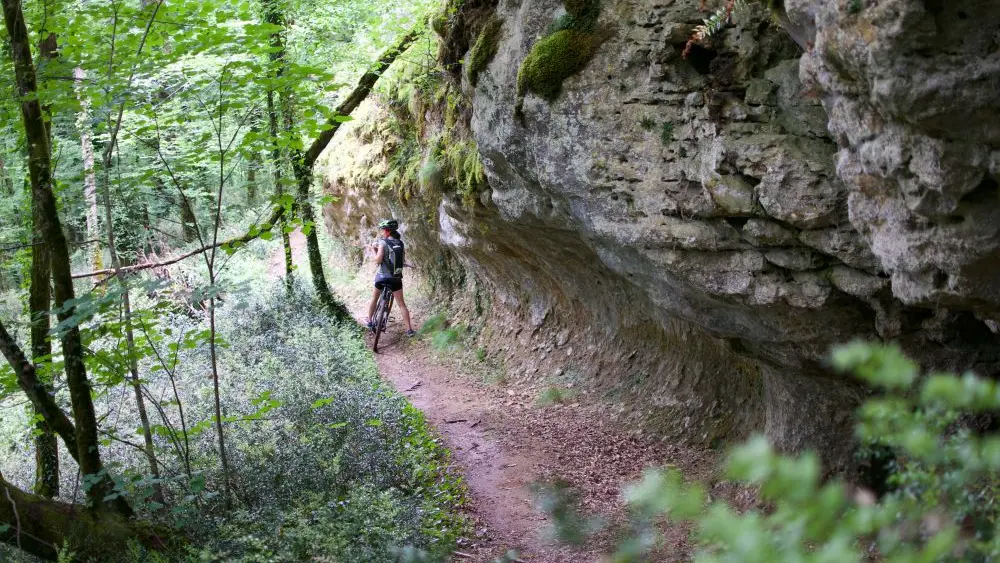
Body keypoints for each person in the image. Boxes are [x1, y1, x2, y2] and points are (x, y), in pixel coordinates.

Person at [366, 219, 415, 337]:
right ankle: (409, 330)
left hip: (382, 277)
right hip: (396, 279)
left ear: (387, 231)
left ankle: (370, 321)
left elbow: (378, 260)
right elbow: (401, 261)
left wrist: (373, 250)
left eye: (383, 230)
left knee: (374, 298)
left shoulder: (382, 242)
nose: (382, 232)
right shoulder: (400, 243)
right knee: (401, 304)